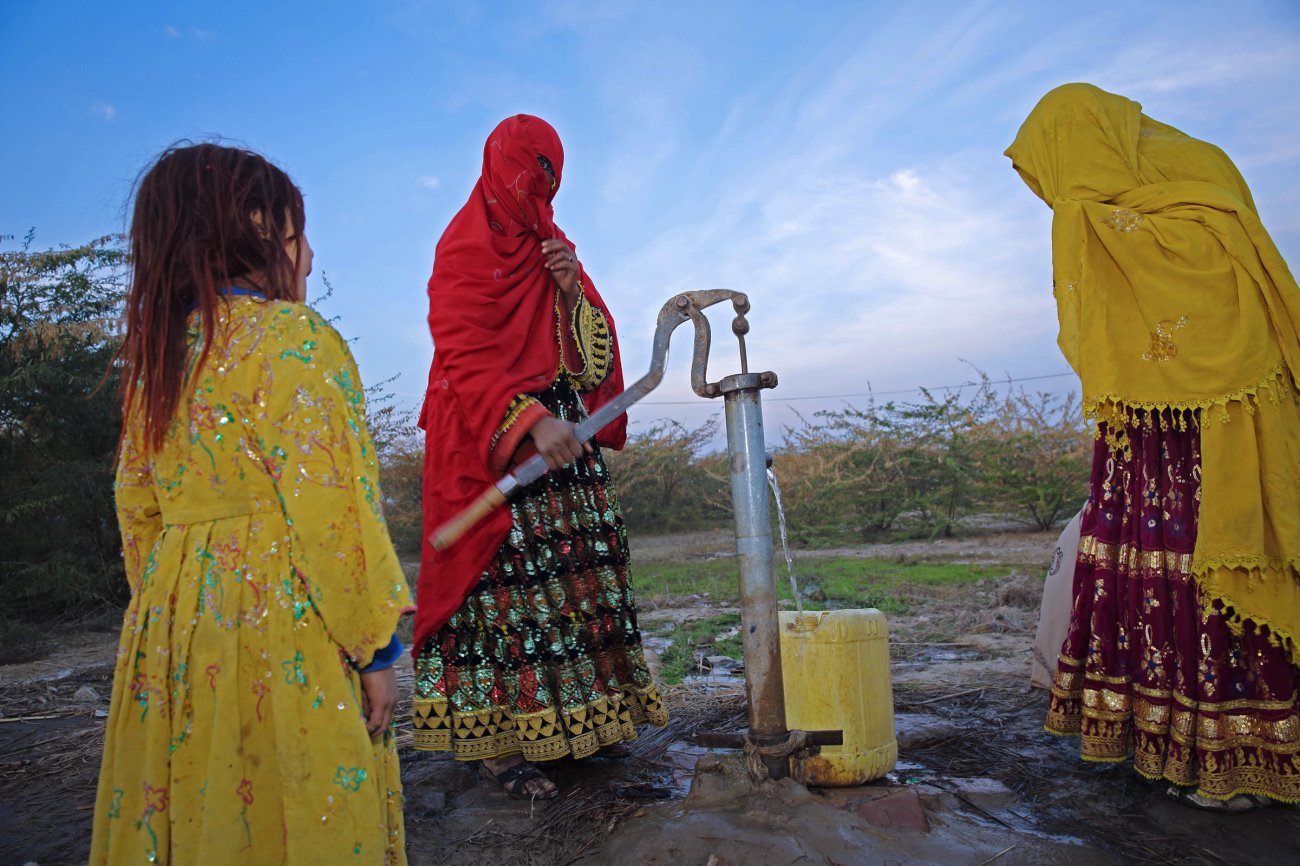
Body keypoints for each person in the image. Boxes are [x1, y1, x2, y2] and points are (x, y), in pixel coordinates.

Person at [91, 143, 413, 864]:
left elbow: (136, 509)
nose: (307, 259)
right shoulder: (296, 341)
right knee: (302, 803)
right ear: (262, 225)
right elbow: (334, 514)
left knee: (201, 808)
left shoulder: (157, 362)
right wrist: (374, 648)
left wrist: (171, 618)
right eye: (299, 233)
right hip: (284, 622)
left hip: (173, 631)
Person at [1006, 83, 1300, 810]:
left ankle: (1236, 758)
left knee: (1213, 576)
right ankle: (1159, 740)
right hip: (1147, 432)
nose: (1055, 193)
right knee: (1140, 572)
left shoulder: (1173, 193)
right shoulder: (1150, 197)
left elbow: (1218, 315)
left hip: (1222, 432)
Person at [412, 115, 668, 800]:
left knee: (579, 581)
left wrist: (571, 290)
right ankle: (500, 749)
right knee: (504, 593)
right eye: (530, 175)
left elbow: (592, 365)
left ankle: (583, 723)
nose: (539, 192)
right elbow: (462, 355)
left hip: (565, 446)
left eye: (550, 179)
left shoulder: (555, 249)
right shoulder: (462, 250)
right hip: (490, 439)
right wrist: (528, 419)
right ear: (500, 170)